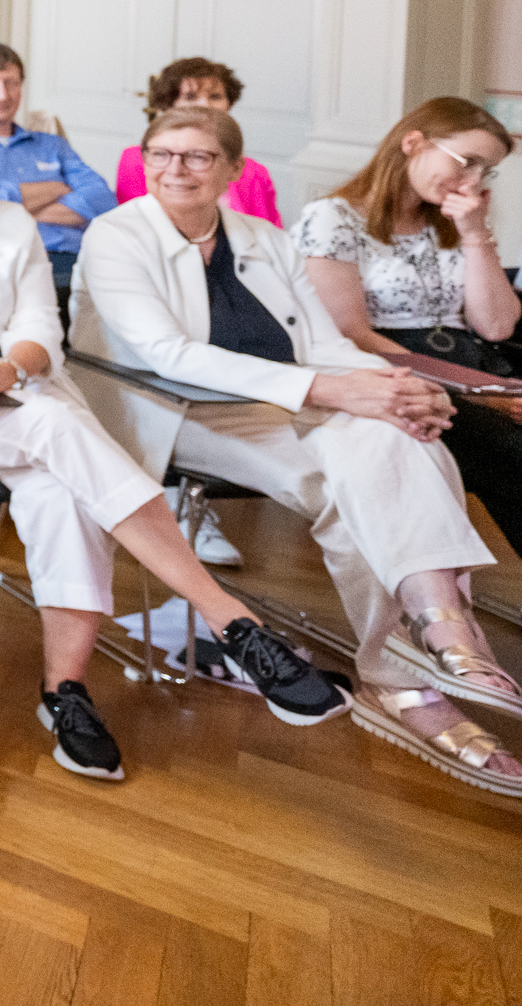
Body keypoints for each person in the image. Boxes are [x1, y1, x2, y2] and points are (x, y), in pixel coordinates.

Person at [0, 95, 347, 780]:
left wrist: (7, 365)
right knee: (60, 429)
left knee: (60, 486)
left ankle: (67, 693)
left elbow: (40, 328)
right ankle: (228, 619)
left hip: (6, 399)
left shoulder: (7, 223)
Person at [73, 107, 519, 796]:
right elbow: (166, 353)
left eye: (196, 156)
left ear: (232, 169)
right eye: (160, 154)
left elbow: (323, 340)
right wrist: (337, 391)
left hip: (278, 399)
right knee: (355, 465)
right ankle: (418, 658)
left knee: (394, 434)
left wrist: (390, 389)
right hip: (171, 407)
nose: (175, 169)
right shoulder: (116, 234)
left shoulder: (262, 237)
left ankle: (423, 635)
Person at [296, 98, 522, 552]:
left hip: (474, 363)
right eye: (467, 162)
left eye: (487, 171)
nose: (474, 181)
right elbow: (351, 333)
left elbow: (496, 326)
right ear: (414, 143)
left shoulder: (454, 221)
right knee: (511, 455)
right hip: (394, 371)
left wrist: (476, 233)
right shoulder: (334, 218)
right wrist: (485, 395)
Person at [0, 42, 114, 306]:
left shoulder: (52, 145)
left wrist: (2, 208)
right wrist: (56, 188)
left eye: (11, 83)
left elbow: (102, 199)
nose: (2, 94)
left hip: (70, 262)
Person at [112, 58, 281, 225]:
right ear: (169, 105)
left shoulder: (254, 172)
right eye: (190, 97)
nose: (204, 104)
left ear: (228, 104)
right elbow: (131, 224)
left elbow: (268, 234)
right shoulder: (137, 160)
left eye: (215, 97)